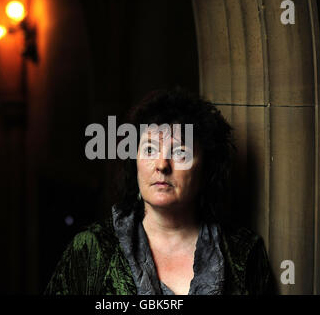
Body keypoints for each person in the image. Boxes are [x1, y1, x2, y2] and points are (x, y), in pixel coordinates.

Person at [45, 88, 273, 295]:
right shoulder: (92, 249)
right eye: (150, 149)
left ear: (206, 168)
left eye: (180, 153)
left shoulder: (243, 253)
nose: (162, 164)